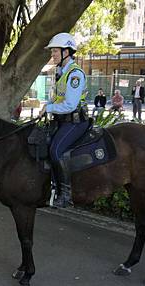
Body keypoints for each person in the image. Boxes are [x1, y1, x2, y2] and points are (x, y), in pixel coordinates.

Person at [38, 32, 89, 208]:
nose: (52, 55)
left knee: (55, 150)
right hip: (62, 121)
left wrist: (50, 108)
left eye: (54, 51)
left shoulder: (75, 75)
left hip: (75, 121)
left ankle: (66, 195)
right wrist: (47, 106)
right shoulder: (60, 72)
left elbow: (70, 105)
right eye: (52, 51)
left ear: (66, 52)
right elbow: (56, 97)